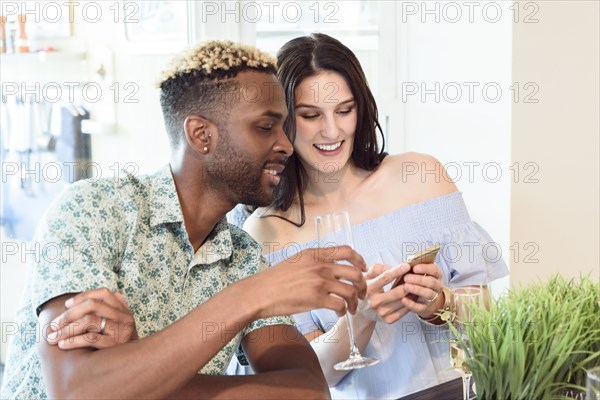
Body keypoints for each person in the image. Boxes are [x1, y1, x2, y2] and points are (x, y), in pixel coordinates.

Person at [0, 40, 370, 399]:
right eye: (265, 127)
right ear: (201, 135)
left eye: (284, 126)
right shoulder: (93, 211)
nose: (286, 145)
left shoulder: (243, 257)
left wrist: (137, 375)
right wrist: (250, 297)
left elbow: (308, 391)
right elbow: (79, 390)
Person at [230, 33, 509, 399]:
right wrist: (360, 318)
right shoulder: (266, 231)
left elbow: (487, 314)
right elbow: (311, 375)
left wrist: (438, 303)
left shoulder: (420, 176)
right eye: (311, 115)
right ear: (283, 120)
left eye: (344, 110)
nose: (331, 131)